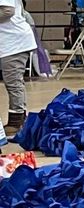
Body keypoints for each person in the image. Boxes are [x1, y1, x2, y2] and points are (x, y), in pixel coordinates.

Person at [0, 0, 36, 134]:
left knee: (13, 82)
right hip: (11, 42)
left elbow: (7, 11)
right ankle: (19, 119)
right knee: (14, 82)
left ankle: (16, 122)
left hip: (14, 43)